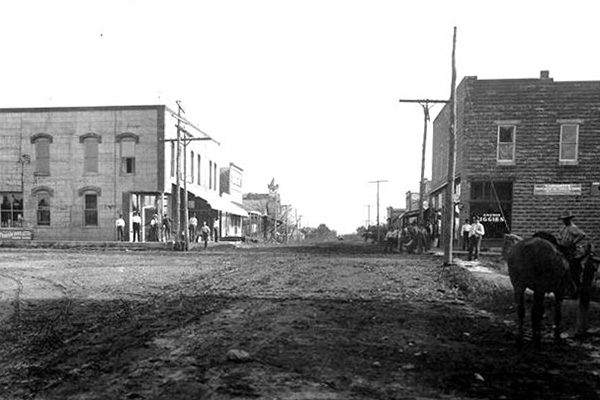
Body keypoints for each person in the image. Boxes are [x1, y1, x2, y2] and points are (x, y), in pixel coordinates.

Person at [557, 211, 586, 297]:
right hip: (562, 248)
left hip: (569, 250)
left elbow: (582, 234)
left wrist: (573, 242)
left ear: (569, 219)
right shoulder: (564, 228)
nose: (564, 221)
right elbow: (560, 236)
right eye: (563, 220)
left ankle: (574, 290)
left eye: (566, 219)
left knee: (570, 268)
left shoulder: (572, 227)